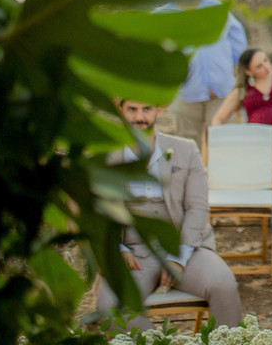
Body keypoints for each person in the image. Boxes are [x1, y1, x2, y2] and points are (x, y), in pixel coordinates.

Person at [97, 99, 241, 329]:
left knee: (224, 285)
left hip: (184, 245)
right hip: (134, 252)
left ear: (159, 110)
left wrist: (178, 258)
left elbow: (198, 207)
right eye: (132, 110)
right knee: (111, 307)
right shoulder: (106, 156)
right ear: (121, 111)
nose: (139, 117)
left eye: (146, 109)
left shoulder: (185, 149)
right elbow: (98, 212)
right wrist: (117, 248)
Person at [157, 0, 248, 148]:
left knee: (225, 142)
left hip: (222, 90)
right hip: (184, 93)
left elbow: (237, 39)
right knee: (188, 144)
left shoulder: (216, 9)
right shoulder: (162, 15)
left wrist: (238, 69)